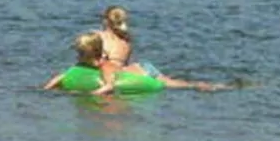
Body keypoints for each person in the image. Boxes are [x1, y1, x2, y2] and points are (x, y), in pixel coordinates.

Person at [45, 32, 226, 93]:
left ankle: (204, 85)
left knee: (178, 85)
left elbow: (109, 85)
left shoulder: (105, 66)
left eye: (79, 53)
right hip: (132, 69)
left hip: (143, 72)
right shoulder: (82, 66)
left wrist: (93, 94)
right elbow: (64, 75)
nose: (77, 57)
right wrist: (47, 89)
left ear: (88, 54)